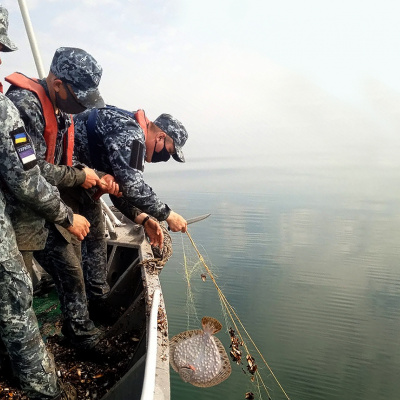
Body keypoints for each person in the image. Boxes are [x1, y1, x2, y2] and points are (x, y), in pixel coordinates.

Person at [5, 47, 111, 351]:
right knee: (19, 294)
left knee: (70, 268)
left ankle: (80, 334)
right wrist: (78, 178)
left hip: (45, 205)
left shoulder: (59, 110)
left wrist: (92, 177)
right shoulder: (25, 105)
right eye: (78, 98)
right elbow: (30, 169)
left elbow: (60, 159)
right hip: (18, 216)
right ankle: (17, 361)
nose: (80, 106)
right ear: (58, 84)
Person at [0, 6, 77, 399]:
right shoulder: (9, 111)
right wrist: (67, 213)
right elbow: (28, 176)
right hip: (18, 221)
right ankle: (45, 391)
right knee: (16, 300)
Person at [73, 106, 188, 314]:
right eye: (169, 152)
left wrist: (145, 220)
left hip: (84, 181)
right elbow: (134, 189)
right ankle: (78, 314)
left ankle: (97, 301)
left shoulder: (130, 134)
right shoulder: (130, 133)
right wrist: (168, 215)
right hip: (63, 176)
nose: (165, 158)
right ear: (161, 137)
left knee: (96, 236)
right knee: (68, 248)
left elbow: (121, 194)